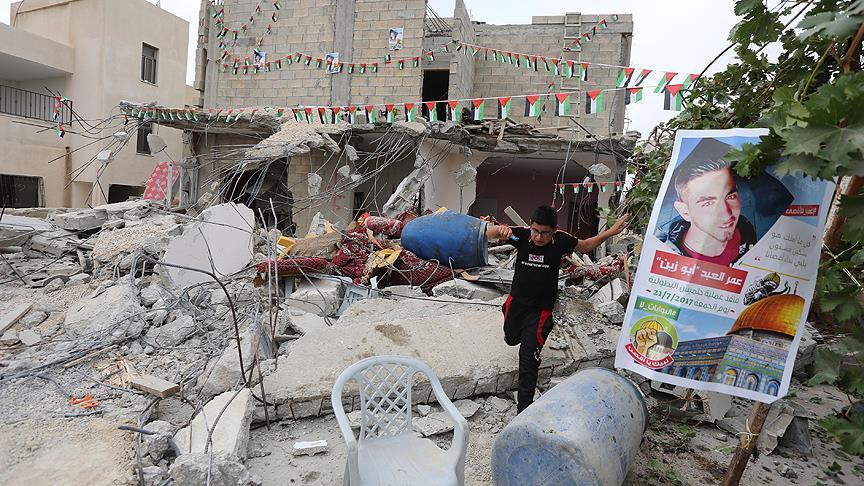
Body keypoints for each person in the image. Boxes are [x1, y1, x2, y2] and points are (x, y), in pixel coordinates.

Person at [487, 205, 629, 413]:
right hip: (516, 304)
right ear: (530, 226)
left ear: (554, 231)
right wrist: (499, 230)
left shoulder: (562, 240)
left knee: (528, 359)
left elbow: (585, 246)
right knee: (511, 338)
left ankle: (523, 411)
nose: (538, 237)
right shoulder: (521, 235)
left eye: (545, 233)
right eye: (535, 231)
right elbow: (488, 234)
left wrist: (609, 232)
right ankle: (514, 326)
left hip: (540, 311)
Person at [662, 143, 756, 266]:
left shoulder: (746, 231)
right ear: (684, 211)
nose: (726, 214)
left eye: (730, 197)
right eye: (708, 203)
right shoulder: (664, 252)